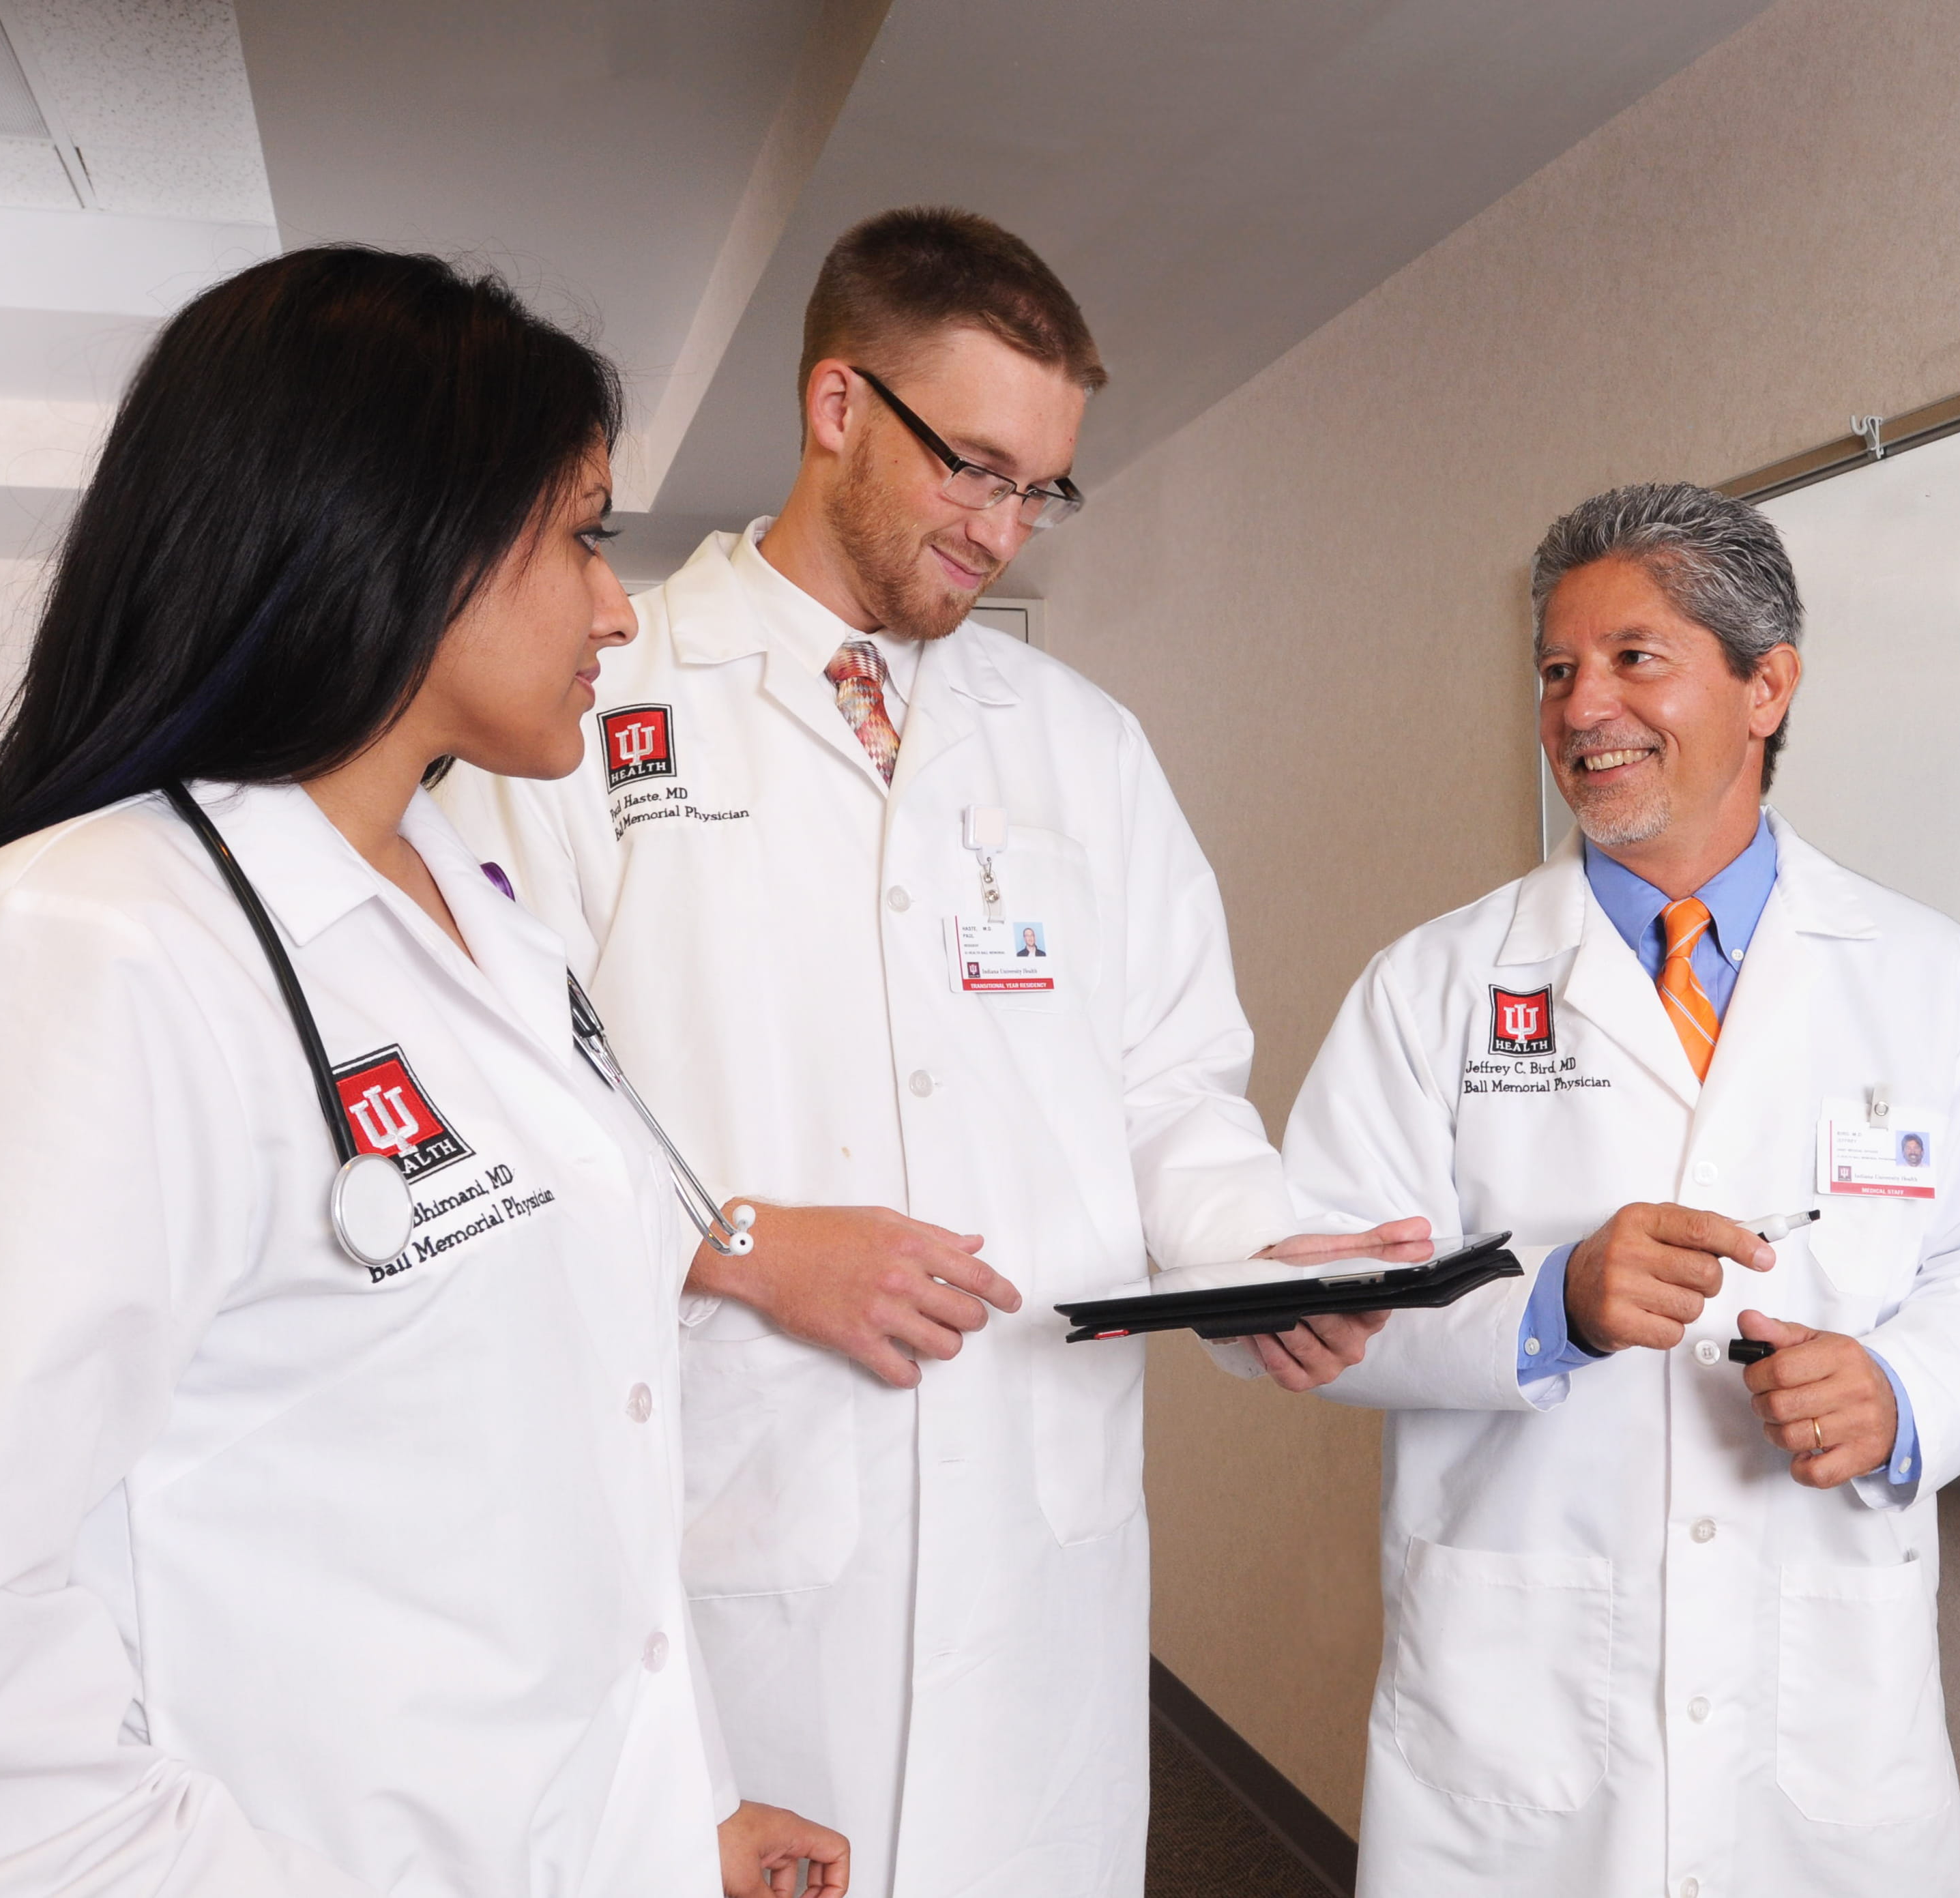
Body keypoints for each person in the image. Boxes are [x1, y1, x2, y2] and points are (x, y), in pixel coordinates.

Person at [439, 207, 1406, 1898]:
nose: (1003, 527)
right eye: (973, 467)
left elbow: (1174, 1090)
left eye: (1041, 487)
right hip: (738, 1516)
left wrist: (1261, 1259)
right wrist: (736, 1245)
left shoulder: (1082, 748)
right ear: (834, 407)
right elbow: (499, 1102)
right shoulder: (593, 696)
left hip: (1035, 1549)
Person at [0, 248, 846, 1898]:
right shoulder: (86, 945)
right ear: (410, 529)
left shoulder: (474, 911)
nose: (620, 606)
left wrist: (673, 1822)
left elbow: (534, 1476)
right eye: (587, 533)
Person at [1279, 483, 1960, 1896]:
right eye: (1554, 668)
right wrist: (1551, 1307)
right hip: (1518, 1711)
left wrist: (1900, 1391)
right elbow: (1304, 1290)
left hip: (1822, 1701)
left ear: (1763, 685)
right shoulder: (1435, 985)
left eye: (1632, 658)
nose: (1581, 706)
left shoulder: (1934, 982)